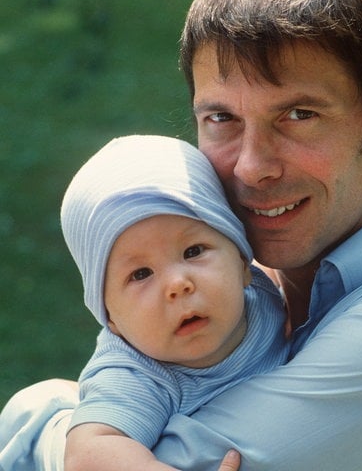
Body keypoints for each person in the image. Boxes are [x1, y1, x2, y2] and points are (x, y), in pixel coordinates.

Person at [2, 0, 362, 469]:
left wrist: (41, 412)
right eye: (222, 118)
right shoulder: (251, 293)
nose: (251, 168)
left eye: (300, 115)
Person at [0, 135, 289, 471]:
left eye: (193, 251)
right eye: (140, 274)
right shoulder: (137, 374)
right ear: (112, 320)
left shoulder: (261, 291)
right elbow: (88, 454)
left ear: (241, 262)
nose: (177, 284)